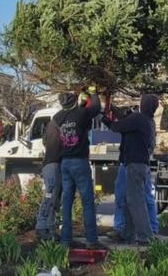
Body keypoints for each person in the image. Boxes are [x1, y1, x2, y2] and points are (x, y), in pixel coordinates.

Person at [105, 94, 159, 245]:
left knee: (136, 201)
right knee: (132, 199)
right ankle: (128, 233)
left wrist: (106, 120)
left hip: (134, 164)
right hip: (141, 164)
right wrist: (113, 109)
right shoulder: (147, 121)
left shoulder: (138, 119)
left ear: (144, 105)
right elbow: (125, 121)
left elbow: (119, 126)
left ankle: (145, 236)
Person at [55, 86, 103, 248]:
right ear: (75, 101)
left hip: (65, 163)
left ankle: (66, 239)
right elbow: (96, 107)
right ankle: (91, 239)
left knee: (67, 201)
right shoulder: (81, 114)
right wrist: (92, 91)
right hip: (79, 161)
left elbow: (72, 117)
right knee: (87, 200)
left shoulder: (57, 117)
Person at [35, 115, 63, 241]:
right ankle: (43, 226)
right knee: (51, 195)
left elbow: (45, 141)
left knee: (52, 196)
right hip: (53, 164)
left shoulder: (50, 126)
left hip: (50, 164)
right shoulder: (58, 126)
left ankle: (48, 227)